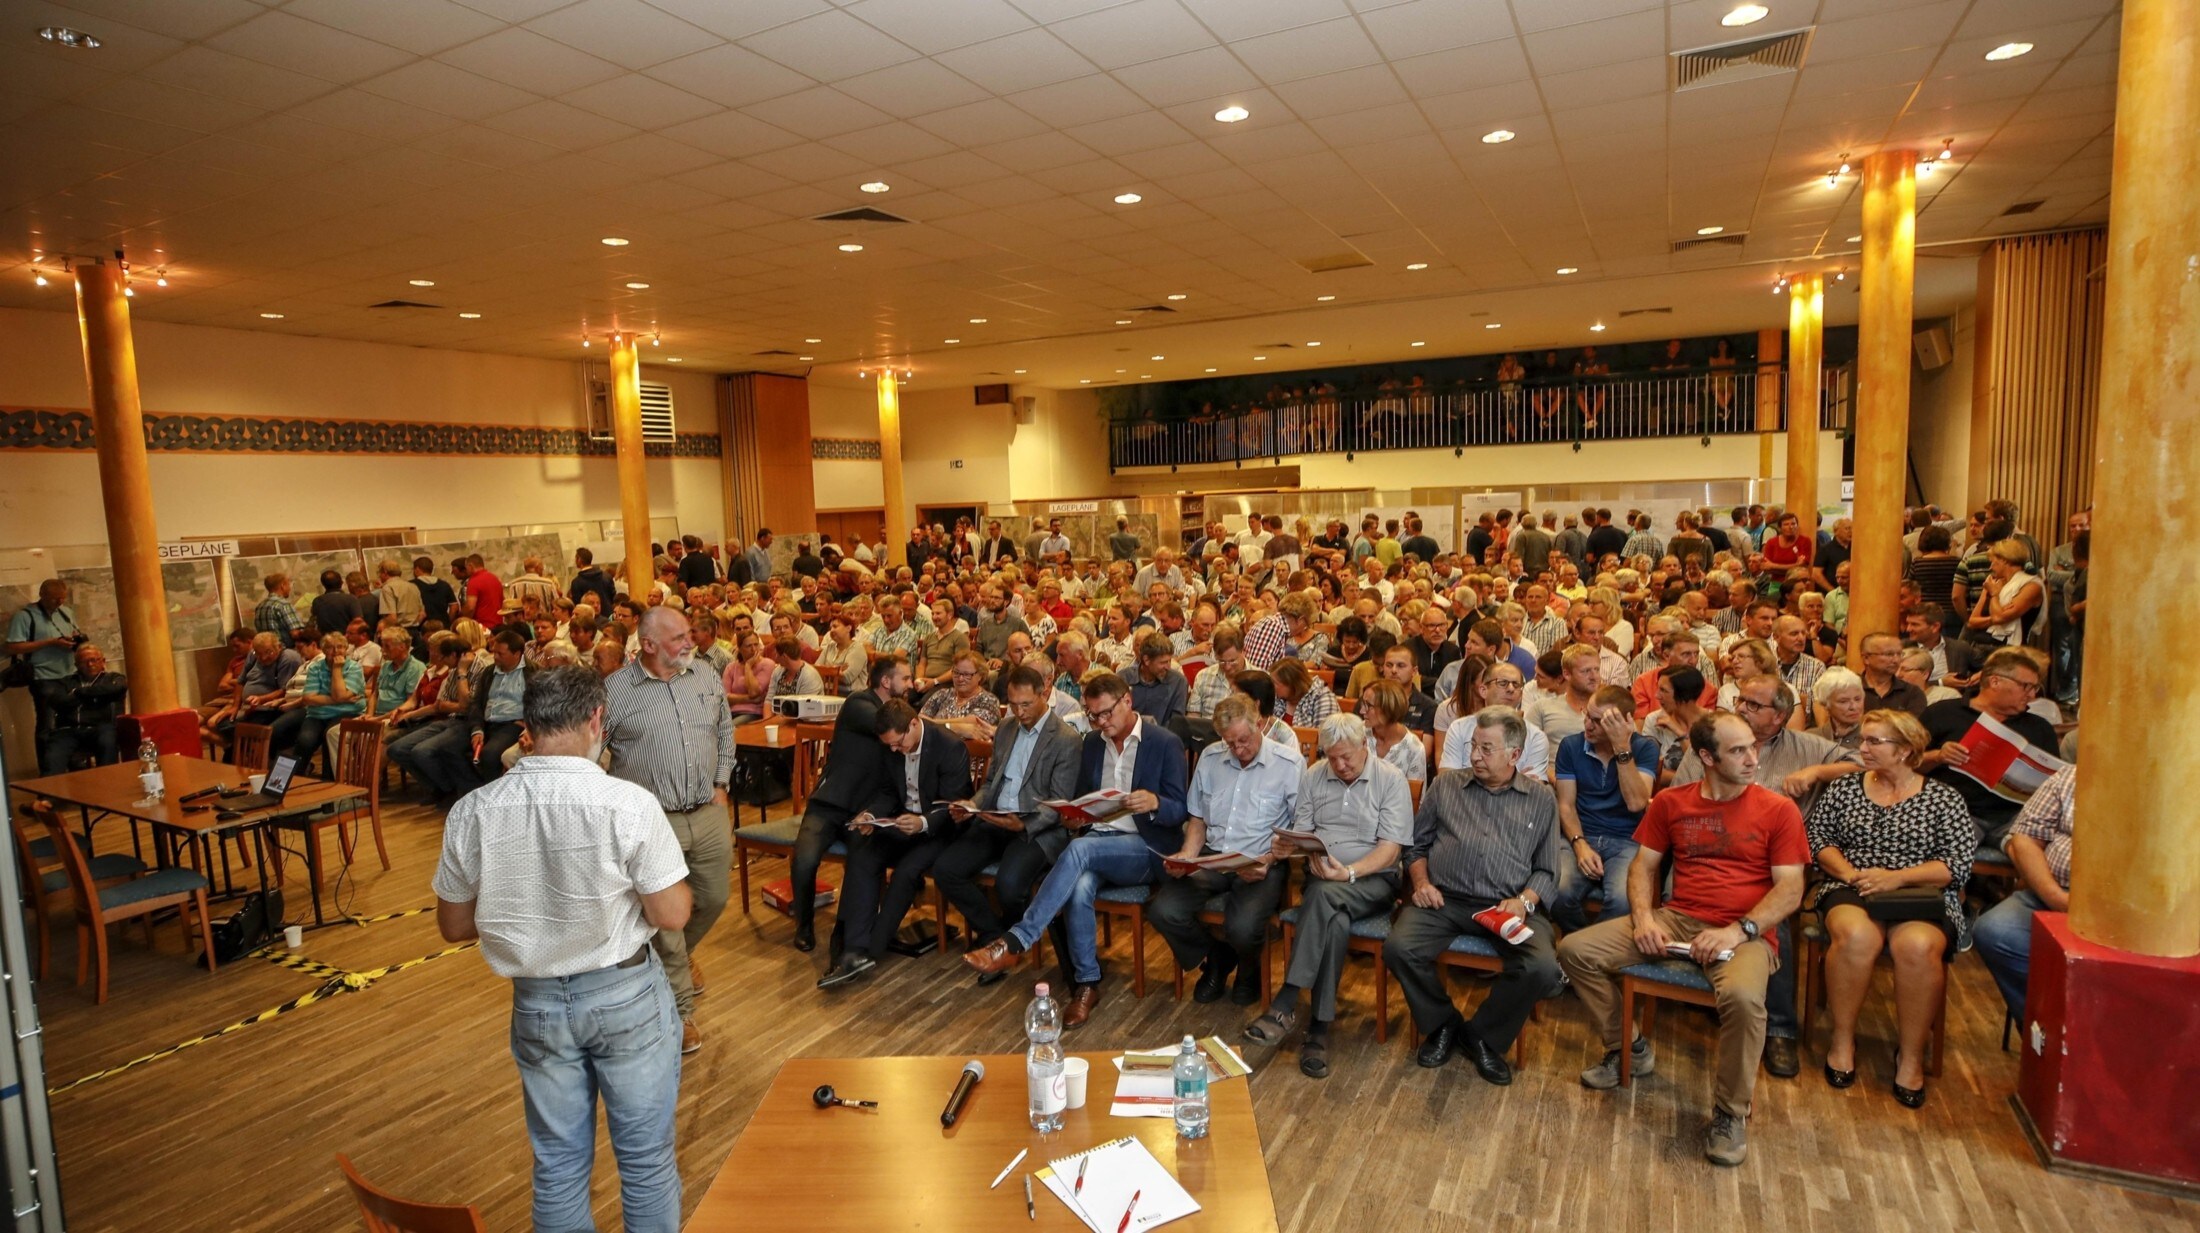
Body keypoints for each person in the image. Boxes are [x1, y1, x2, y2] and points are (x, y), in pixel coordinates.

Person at [434, 665, 691, 1233]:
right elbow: (671, 915)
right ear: (596, 719)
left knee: (557, 1167)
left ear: (527, 725)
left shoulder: (474, 811)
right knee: (646, 1164)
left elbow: (454, 927)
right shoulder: (627, 803)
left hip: (537, 1003)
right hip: (624, 993)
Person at [1558, 712, 1808, 1167]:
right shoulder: (1672, 803)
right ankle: (1628, 1047)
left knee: (1743, 999)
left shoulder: (1777, 809)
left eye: (1753, 746)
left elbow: (1790, 888)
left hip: (1745, 931)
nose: (1752, 757)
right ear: (1706, 757)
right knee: (1575, 951)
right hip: (1677, 918)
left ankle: (1730, 1113)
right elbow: (1642, 867)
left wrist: (1738, 929)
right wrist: (1643, 919)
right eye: (1738, 750)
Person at [963, 671, 1190, 1029]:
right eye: (1092, 716)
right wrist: (1074, 817)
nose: (1100, 723)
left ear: (1127, 701)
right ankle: (1086, 984)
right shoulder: (1095, 743)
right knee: (1080, 886)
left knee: (1080, 852)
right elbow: (1083, 801)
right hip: (1097, 839)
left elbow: (1182, 810)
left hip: (1144, 847)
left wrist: (1156, 802)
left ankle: (1016, 940)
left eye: (1106, 714)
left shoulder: (1163, 743)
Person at [1383, 707, 1566, 1085]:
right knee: (1399, 947)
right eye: (1473, 746)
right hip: (1444, 899)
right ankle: (1443, 1024)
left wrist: (1525, 902)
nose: (1475, 756)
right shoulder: (1447, 786)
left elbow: (1548, 869)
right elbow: (1415, 847)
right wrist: (1420, 883)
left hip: (1508, 904)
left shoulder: (1540, 798)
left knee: (1541, 967)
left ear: (1514, 755)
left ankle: (1482, 1036)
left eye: (1487, 749)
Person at [1805, 709, 1974, 1106]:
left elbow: (1956, 865)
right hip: (1851, 883)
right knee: (1856, 936)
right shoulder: (1846, 788)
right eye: (1862, 740)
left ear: (1905, 750)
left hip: (1918, 891)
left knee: (1916, 946)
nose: (1862, 748)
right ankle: (1843, 1040)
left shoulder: (1943, 798)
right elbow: (1818, 839)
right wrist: (1850, 874)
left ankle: (1911, 1056)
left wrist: (1896, 877)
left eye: (1873, 742)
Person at [1239, 713, 1410, 1077]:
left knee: (1322, 899)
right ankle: (1317, 1031)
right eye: (1331, 757)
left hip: (1372, 881)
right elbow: (1302, 831)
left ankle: (1287, 999)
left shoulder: (1390, 780)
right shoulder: (1315, 775)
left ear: (1366, 745)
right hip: (1322, 877)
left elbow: (1391, 849)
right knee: (1333, 922)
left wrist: (1348, 872)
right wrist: (1288, 848)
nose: (1340, 765)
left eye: (1346, 757)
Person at [603, 607, 737, 1056]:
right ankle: (679, 1013)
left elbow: (724, 730)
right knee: (666, 918)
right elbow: (590, 750)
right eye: (679, 636)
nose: (690, 642)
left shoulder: (703, 675)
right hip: (652, 821)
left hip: (707, 810)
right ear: (649, 645)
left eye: (690, 634)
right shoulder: (617, 691)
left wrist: (721, 783)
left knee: (714, 897)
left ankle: (666, 960)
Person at [933, 665, 1084, 983]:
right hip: (996, 818)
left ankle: (1007, 946)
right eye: (1013, 704)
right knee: (946, 870)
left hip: (1036, 828)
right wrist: (972, 805)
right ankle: (998, 939)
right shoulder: (1006, 728)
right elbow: (991, 783)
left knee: (1010, 885)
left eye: (1026, 704)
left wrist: (1023, 826)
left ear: (1044, 694)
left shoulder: (1066, 739)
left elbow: (1059, 804)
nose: (1019, 711)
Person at [1152, 696, 1304, 1006]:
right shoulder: (1211, 758)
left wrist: (1270, 859)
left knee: (1244, 927)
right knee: (1163, 910)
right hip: (1213, 855)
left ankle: (1248, 971)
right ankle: (1217, 959)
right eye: (1229, 743)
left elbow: (1298, 832)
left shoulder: (1289, 763)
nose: (1237, 750)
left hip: (1262, 860)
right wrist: (1187, 855)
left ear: (1259, 725)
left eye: (1243, 741)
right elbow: (1197, 818)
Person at [819, 700, 974, 988]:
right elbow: (889, 791)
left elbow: (954, 804)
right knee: (863, 853)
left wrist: (923, 822)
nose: (894, 750)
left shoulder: (949, 747)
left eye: (898, 743)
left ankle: (868, 950)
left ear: (914, 724)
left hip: (939, 829)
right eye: (889, 745)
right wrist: (872, 814)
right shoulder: (890, 745)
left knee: (906, 873)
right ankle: (853, 947)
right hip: (902, 822)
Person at [789, 655, 914, 952]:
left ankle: (845, 931)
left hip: (866, 809)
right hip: (830, 803)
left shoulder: (902, 716)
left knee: (863, 864)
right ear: (886, 681)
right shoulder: (859, 704)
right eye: (906, 679)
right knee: (804, 860)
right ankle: (804, 924)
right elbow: (895, 724)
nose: (912, 684)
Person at [1918, 647, 2059, 855]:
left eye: (2035, 688)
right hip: (1957, 812)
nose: (2032, 695)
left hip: (2014, 816)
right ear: (1995, 682)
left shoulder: (2039, 727)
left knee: (2041, 852)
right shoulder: (1943, 713)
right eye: (2026, 687)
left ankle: (2030, 889)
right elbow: (1903, 763)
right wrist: (1938, 756)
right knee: (1948, 852)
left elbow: (2053, 781)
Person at [1973, 764, 2075, 1021]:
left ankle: (2070, 1026)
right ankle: (2043, 1026)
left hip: (2121, 907)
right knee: (1995, 931)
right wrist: (2054, 896)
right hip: (2050, 893)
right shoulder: (2070, 776)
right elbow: (2026, 836)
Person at [1552, 686, 1657, 930]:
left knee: (1622, 901)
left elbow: (1636, 803)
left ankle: (1589, 954)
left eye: (1598, 722)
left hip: (1626, 839)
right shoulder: (1571, 746)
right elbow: (1566, 806)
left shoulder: (1644, 748)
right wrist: (1579, 845)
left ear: (1625, 722)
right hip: (1579, 835)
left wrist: (1622, 748)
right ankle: (1578, 948)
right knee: (1558, 892)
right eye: (1587, 715)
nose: (1588, 725)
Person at [272, 631, 365, 776]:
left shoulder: (354, 668)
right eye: (330, 648)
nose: (335, 652)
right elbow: (308, 698)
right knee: (305, 740)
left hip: (347, 712)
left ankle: (329, 783)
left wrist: (336, 670)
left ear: (346, 649)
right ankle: (289, 779)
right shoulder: (316, 667)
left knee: (330, 737)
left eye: (340, 647)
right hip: (317, 713)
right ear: (323, 649)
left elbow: (338, 694)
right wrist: (340, 698)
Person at [1439, 663, 1549, 777]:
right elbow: (1447, 780)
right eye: (1502, 683)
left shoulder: (1536, 737)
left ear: (1521, 694)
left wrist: (1469, 777)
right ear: (1483, 690)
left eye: (1516, 685)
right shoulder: (1459, 728)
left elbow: (1532, 788)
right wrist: (1515, 780)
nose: (1511, 689)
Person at [37, 642, 130, 772]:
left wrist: (79, 693)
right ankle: (47, 789)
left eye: (93, 660)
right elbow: (58, 701)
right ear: (76, 666)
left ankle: (108, 783)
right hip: (69, 730)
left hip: (101, 728)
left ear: (103, 661)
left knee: (108, 742)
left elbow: (116, 688)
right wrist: (96, 696)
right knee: (52, 756)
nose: (90, 664)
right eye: (84, 662)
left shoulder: (114, 678)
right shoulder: (66, 682)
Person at [1964, 539, 2043, 648]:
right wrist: (1994, 619)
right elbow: (1972, 621)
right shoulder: (1992, 581)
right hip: (1978, 645)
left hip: (2009, 648)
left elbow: (1998, 618)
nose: (1990, 567)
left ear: (2005, 560)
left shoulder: (2031, 585)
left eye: (1993, 562)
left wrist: (1994, 594)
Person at [1357, 679, 1427, 782]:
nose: (1362, 711)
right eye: (1363, 703)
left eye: (1369, 706)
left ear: (1388, 708)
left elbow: (1414, 795)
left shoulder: (1414, 749)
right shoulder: (1356, 733)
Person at [920, 649, 1003, 729]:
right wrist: (957, 726)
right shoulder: (942, 694)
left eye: (967, 674)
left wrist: (931, 722)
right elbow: (920, 720)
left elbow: (974, 722)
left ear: (980, 676)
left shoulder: (989, 700)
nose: (960, 679)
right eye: (956, 673)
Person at [1125, 632, 1187, 729]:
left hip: (1163, 739)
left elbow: (1176, 723)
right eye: (1163, 662)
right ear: (1146, 660)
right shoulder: (1123, 679)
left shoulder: (1178, 682)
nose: (1168, 667)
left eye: (1169, 661)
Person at [1808, 667, 1868, 750]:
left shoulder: (1875, 738)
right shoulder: (1810, 739)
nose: (1854, 707)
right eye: (1843, 701)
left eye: (1857, 699)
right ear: (1826, 705)